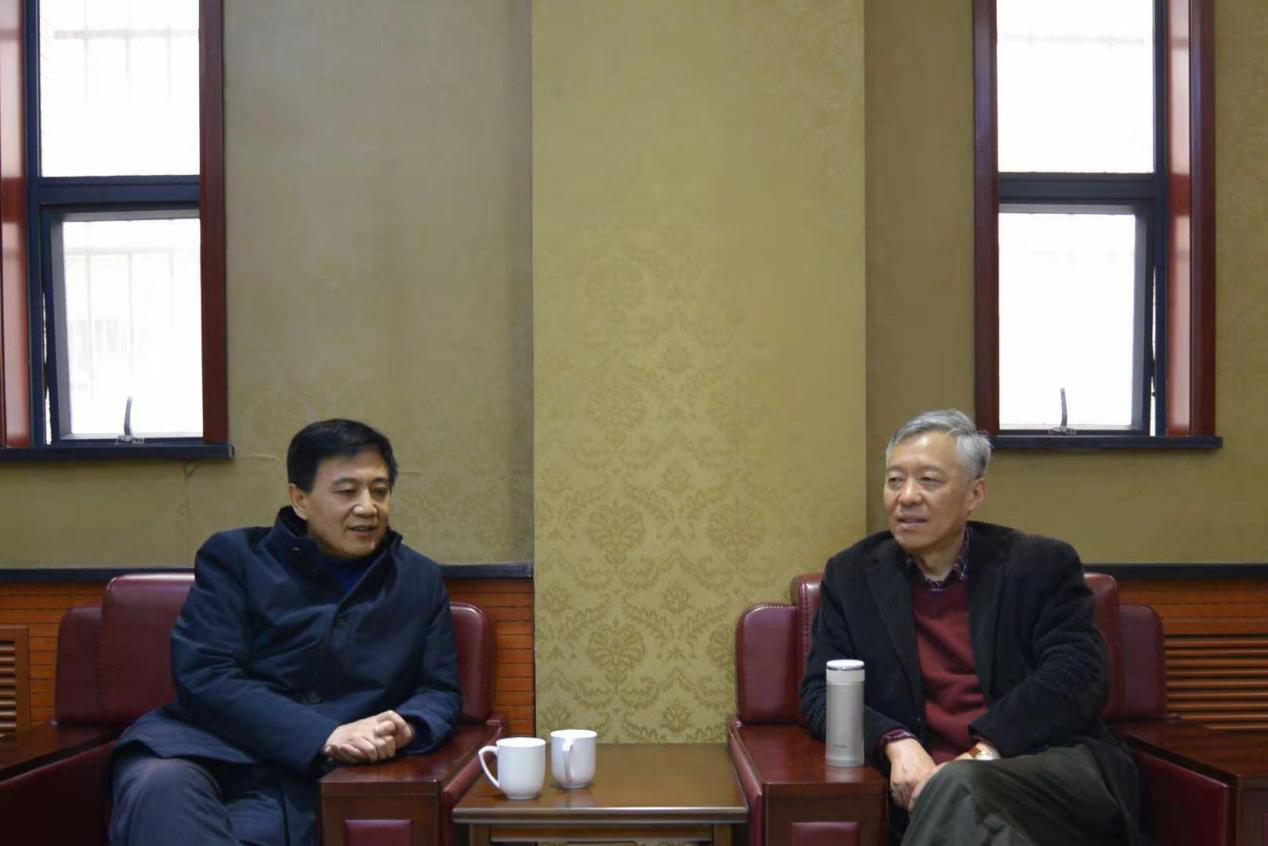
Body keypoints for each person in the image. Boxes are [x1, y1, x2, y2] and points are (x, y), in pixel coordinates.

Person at [109, 419, 462, 846]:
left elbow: (439, 690)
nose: (368, 507)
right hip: (206, 749)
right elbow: (205, 674)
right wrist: (322, 735)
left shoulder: (418, 579)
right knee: (159, 788)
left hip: (303, 781)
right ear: (300, 499)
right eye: (346, 491)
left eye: (380, 490)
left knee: (256, 832)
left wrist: (407, 726)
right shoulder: (234, 558)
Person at [800, 409, 1145, 845]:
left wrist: (983, 753)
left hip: (1047, 771)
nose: (906, 497)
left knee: (957, 786)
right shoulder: (853, 576)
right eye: (894, 481)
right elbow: (820, 693)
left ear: (974, 494)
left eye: (928, 481)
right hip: (932, 792)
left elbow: (1078, 675)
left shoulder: (1039, 565)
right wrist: (895, 741)